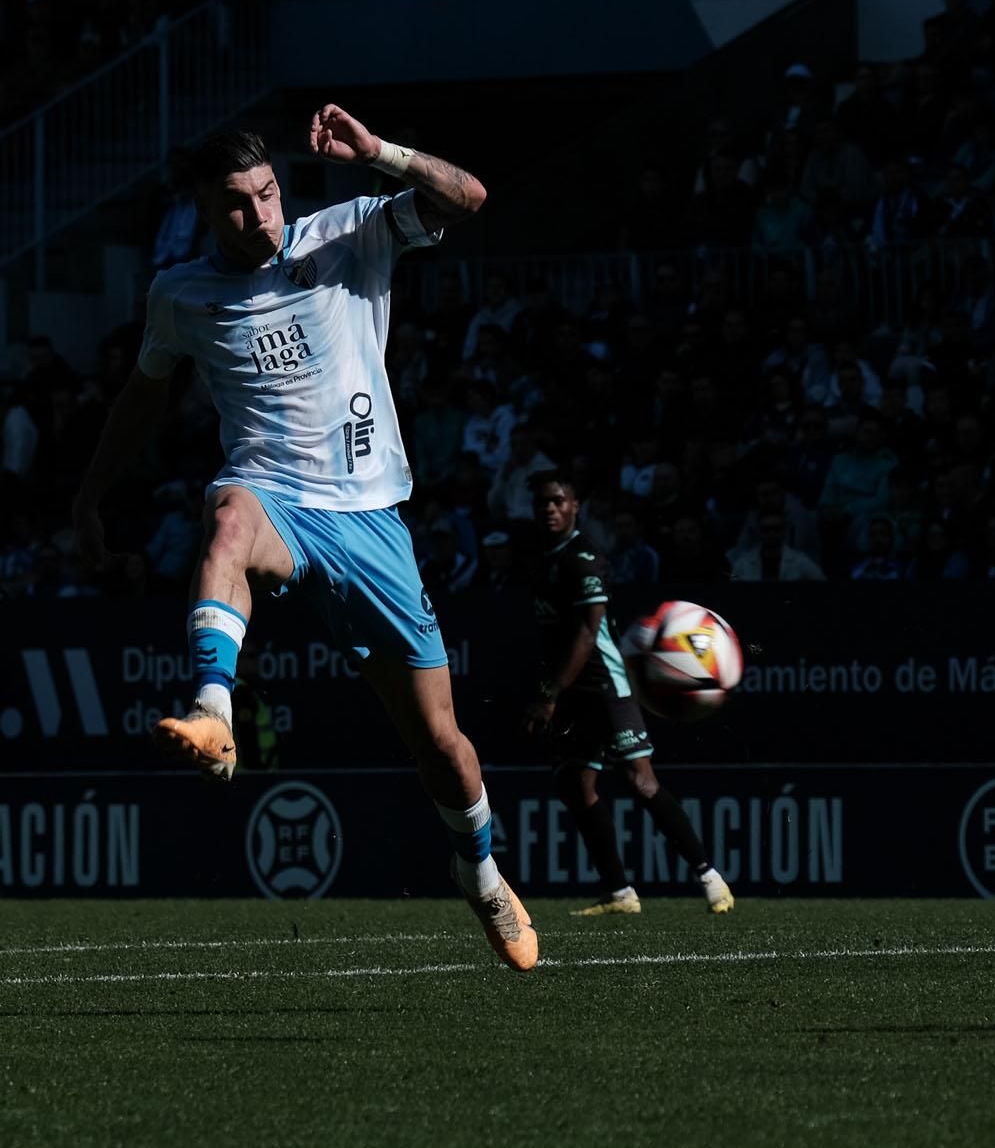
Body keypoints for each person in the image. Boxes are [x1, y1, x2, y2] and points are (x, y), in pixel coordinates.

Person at [68, 112, 545, 971]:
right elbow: (143, 398)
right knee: (226, 518)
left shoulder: (349, 231)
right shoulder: (180, 295)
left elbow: (470, 196)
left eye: (267, 194)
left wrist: (379, 154)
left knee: (440, 742)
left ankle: (477, 869)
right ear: (206, 215)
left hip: (370, 520)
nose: (260, 216)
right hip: (274, 502)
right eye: (237, 207)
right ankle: (215, 710)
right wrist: (91, 494)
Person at [521, 471, 733, 916]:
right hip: (574, 691)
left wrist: (550, 691)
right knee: (574, 783)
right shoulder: (541, 558)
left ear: (576, 504)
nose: (550, 508)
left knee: (640, 780)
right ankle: (620, 893)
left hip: (604, 686)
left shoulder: (582, 556)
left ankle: (711, 878)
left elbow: (587, 630)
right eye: (542, 502)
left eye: (559, 501)